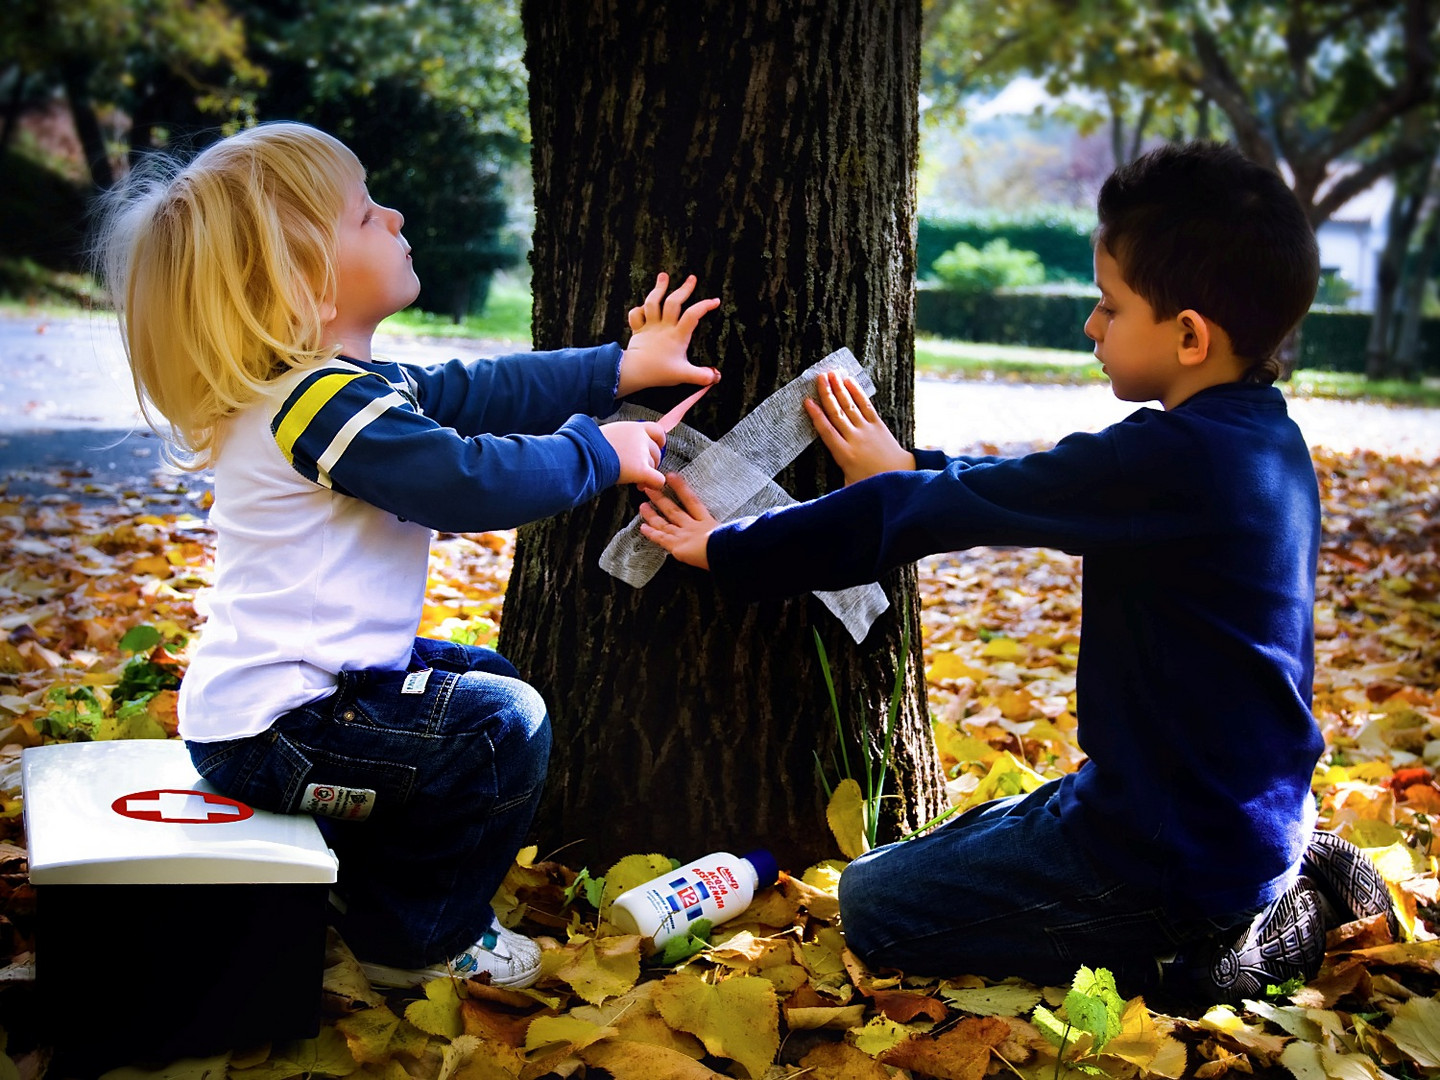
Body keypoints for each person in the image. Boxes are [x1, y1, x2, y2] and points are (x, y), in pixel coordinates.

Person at [637, 141, 1397, 1002]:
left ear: (1189, 334)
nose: (1091, 327)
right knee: (909, 863)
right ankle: (1268, 875)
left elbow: (947, 512)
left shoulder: (1174, 461)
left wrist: (729, 547)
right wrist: (911, 466)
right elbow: (1021, 488)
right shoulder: (1259, 438)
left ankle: (1236, 949)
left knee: (874, 903)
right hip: (1198, 808)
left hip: (1173, 851)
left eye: (1109, 307)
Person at [94, 121, 720, 989]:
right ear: (302, 282)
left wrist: (619, 364)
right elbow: (463, 483)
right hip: (286, 733)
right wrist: (598, 453)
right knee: (502, 726)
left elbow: (481, 388)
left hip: (286, 712)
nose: (392, 215)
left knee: (480, 681)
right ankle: (423, 939)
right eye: (362, 215)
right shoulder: (317, 407)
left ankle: (373, 890)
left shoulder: (332, 391)